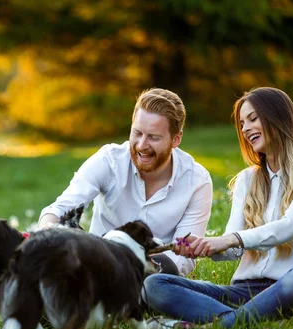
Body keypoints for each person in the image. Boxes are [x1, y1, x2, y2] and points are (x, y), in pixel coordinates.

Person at [143, 87, 293, 329]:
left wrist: (230, 239)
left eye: (253, 119)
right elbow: (232, 250)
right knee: (155, 285)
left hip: (292, 286)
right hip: (243, 292)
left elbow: (290, 225)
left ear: (278, 117)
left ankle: (213, 328)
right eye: (242, 123)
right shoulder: (247, 180)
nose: (245, 129)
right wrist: (204, 246)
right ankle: (249, 324)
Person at [39, 88, 213, 277]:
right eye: (137, 133)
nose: (141, 145)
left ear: (176, 139)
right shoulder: (109, 161)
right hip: (100, 265)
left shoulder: (197, 181)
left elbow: (183, 257)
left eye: (153, 137)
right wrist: (49, 230)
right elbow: (59, 210)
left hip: (154, 272)